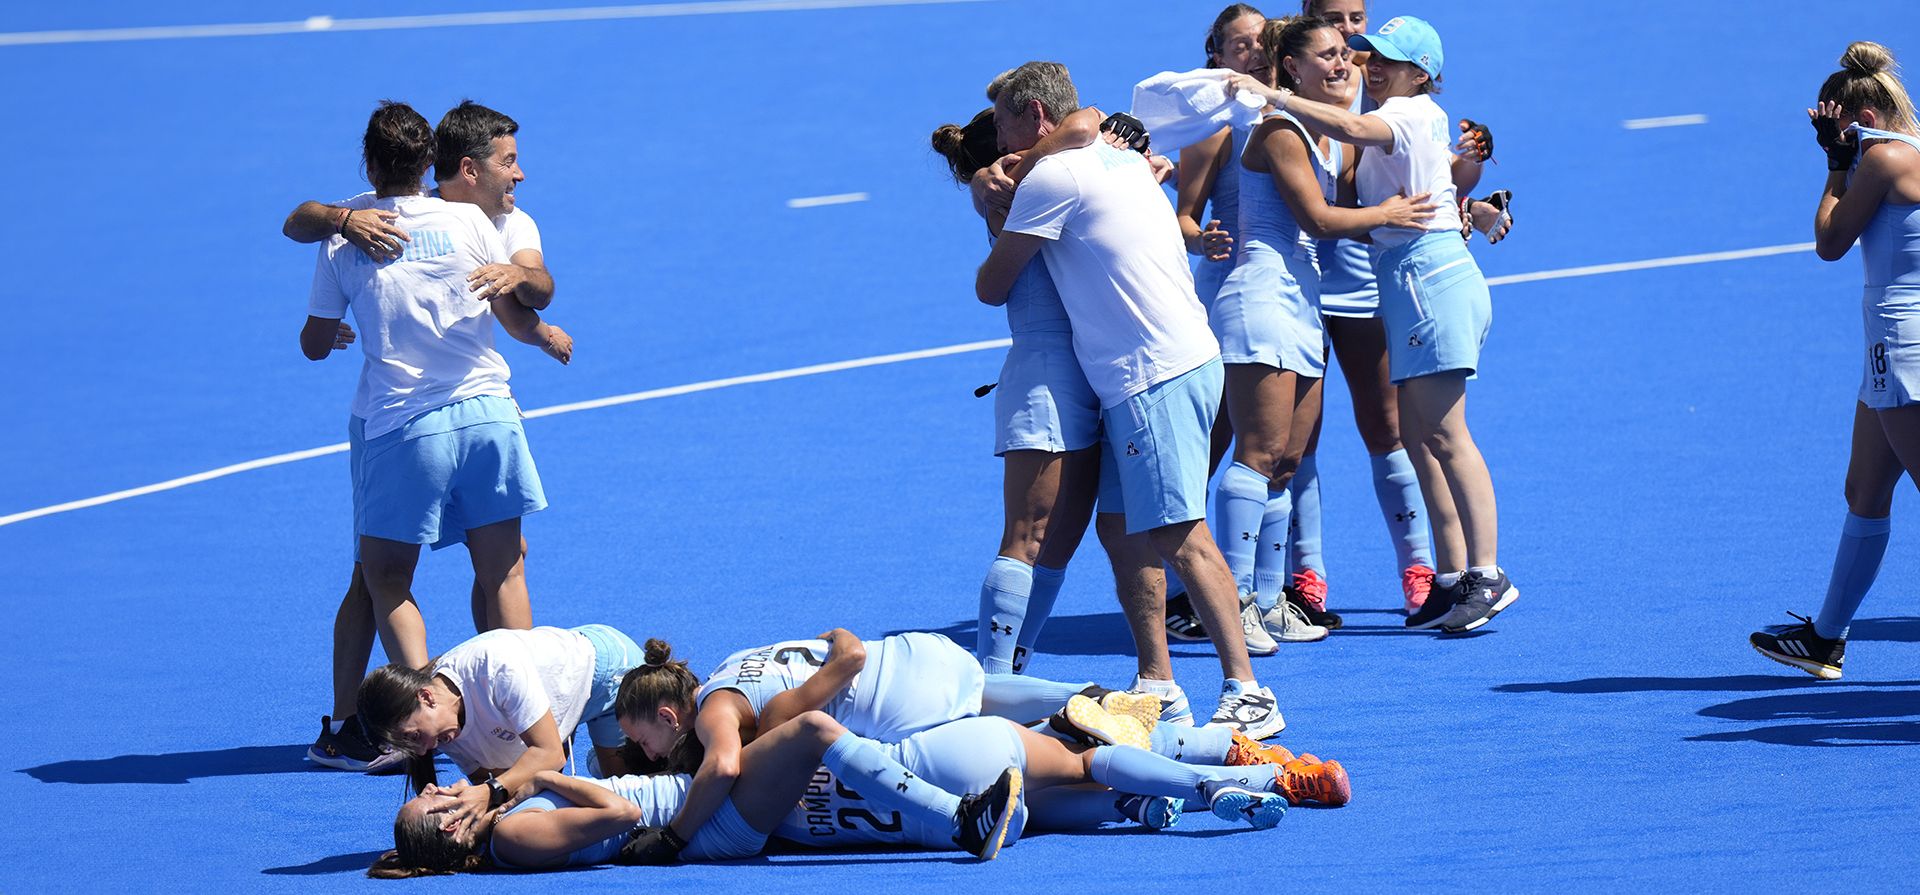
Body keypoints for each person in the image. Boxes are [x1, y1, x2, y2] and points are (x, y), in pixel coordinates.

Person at [974, 61, 1285, 737]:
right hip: (1162, 367)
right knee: (1120, 529)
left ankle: (1247, 688)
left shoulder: (1053, 176)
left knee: (1178, 530)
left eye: (1001, 122)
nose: (998, 140)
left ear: (1032, 115)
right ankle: (1159, 681)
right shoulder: (1121, 158)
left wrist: (995, 188)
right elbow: (1087, 127)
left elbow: (993, 285)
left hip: (1153, 374)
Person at [294, 101, 565, 772]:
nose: (519, 175)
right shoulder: (473, 221)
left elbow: (311, 341)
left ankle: (421, 720)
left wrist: (340, 237)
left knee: (384, 577)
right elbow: (515, 309)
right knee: (504, 566)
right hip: (488, 415)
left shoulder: (344, 235)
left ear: (369, 164)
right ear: (435, 166)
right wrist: (542, 332)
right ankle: (524, 719)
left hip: (399, 426)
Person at [1232, 16, 1518, 634]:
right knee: (1419, 442)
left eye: (1386, 57)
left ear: (1422, 74)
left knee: (1446, 436)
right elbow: (1389, 180)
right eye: (1370, 54)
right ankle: (1449, 578)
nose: (1371, 64)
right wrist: (1476, 204)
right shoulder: (1401, 124)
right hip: (1406, 284)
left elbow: (1355, 128)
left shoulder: (1408, 113)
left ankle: (1489, 574)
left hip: (1431, 280)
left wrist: (1277, 95)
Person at [1209, 15, 1438, 653]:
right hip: (1261, 299)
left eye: (1347, 55)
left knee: (1285, 458)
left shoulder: (1324, 136)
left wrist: (1452, 216)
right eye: (1330, 56)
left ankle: (1270, 599)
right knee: (1256, 454)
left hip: (1300, 301)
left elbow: (1361, 210)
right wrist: (1388, 214)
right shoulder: (1280, 129)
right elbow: (1319, 216)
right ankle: (1238, 604)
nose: (1344, 65)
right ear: (1292, 69)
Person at [1752, 42, 1920, 680]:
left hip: (1904, 346)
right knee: (1865, 490)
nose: (1835, 133)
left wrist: (1835, 166)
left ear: (1868, 111)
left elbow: (1829, 241)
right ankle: (1825, 638)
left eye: (1838, 122)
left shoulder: (1883, 160)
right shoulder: (1911, 149)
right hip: (1892, 350)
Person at [931, 111, 1102, 676]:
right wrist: (990, 182)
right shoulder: (1012, 195)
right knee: (1027, 535)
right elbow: (1084, 124)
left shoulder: (1028, 185)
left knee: (1060, 543)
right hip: (1045, 375)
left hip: (1094, 373)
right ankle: (991, 678)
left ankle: (1012, 668)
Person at [355, 623, 647, 824]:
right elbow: (503, 785)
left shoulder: (493, 667)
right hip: (565, 697)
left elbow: (548, 755)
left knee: (635, 799)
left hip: (612, 673)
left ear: (426, 697)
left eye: (415, 735)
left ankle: (604, 757)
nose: (423, 752)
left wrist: (488, 793)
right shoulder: (444, 729)